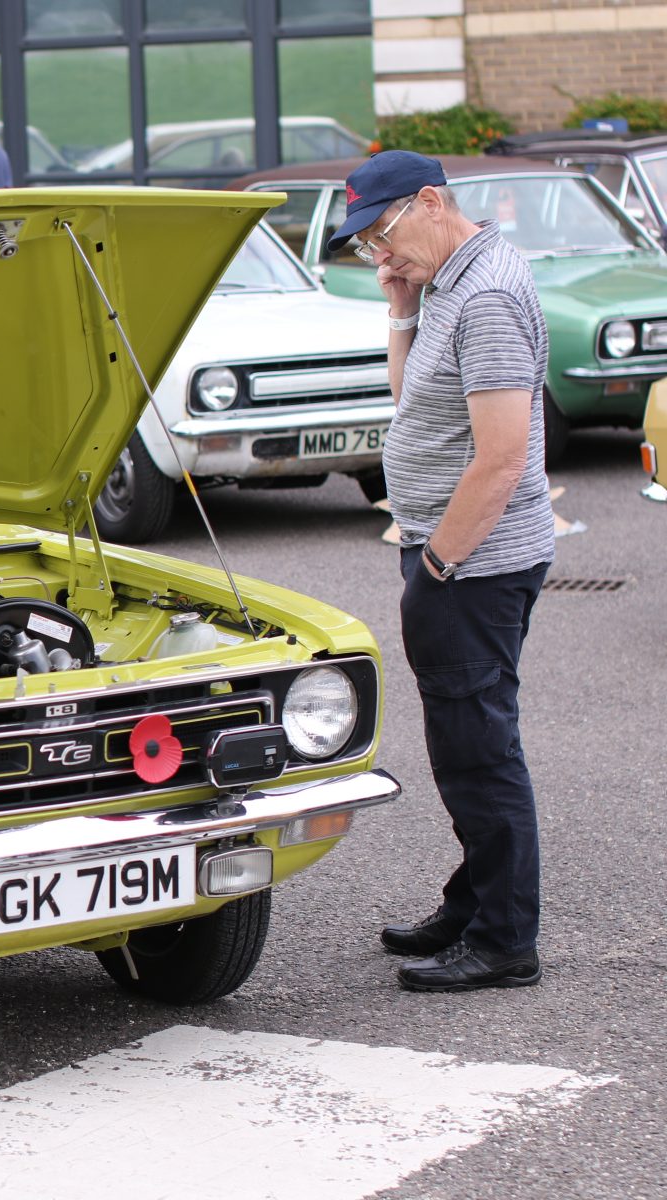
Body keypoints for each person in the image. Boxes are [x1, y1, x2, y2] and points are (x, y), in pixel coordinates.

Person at [328, 150, 553, 993]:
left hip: (472, 565)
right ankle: (472, 902)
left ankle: (502, 940)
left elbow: (499, 460)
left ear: (431, 200)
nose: (381, 255)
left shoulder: (487, 296)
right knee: (467, 739)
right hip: (456, 557)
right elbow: (412, 404)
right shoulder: (449, 281)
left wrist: (437, 565)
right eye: (367, 248)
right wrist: (401, 309)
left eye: (383, 234)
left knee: (479, 751)